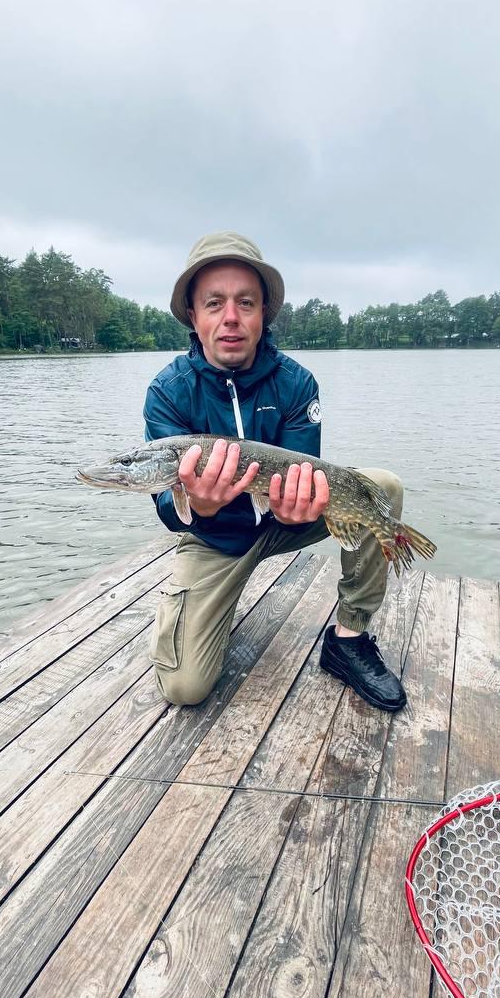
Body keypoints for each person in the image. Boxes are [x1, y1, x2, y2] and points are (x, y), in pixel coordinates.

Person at [143, 231, 408, 712]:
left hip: (285, 521)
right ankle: (209, 610)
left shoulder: (296, 382)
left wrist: (291, 512)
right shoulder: (168, 392)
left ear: (263, 313)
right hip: (215, 539)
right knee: (184, 688)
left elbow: (302, 475)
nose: (230, 317)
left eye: (245, 302)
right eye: (214, 303)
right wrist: (200, 506)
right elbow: (167, 507)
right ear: (194, 316)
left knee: (382, 487)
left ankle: (348, 638)